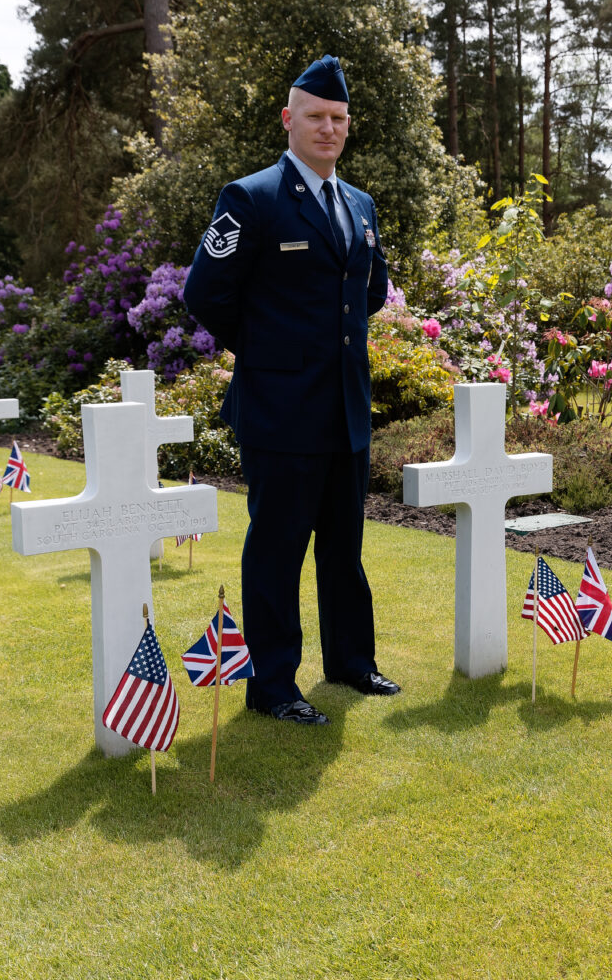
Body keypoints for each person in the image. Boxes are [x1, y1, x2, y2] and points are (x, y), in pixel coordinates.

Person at [184, 54, 400, 724]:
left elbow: (369, 291)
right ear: (289, 120)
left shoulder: (358, 204)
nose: (328, 129)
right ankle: (274, 684)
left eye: (338, 119)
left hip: (344, 409)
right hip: (280, 412)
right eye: (316, 117)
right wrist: (271, 353)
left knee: (345, 545)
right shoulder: (252, 199)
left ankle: (352, 662)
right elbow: (204, 292)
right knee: (277, 550)